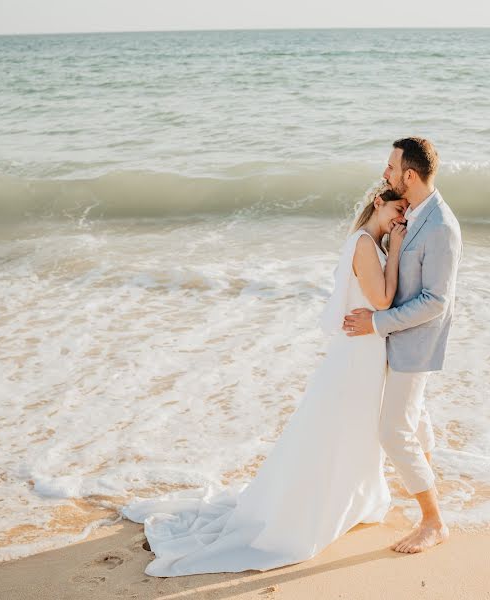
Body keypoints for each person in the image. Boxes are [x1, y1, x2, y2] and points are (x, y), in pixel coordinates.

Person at [121, 183, 410, 576]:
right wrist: (395, 249)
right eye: (398, 208)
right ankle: (310, 508)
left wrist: (392, 246)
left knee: (352, 430)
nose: (402, 218)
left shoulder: (368, 241)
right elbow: (382, 302)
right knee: (338, 430)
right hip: (358, 355)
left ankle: (349, 499)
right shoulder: (366, 244)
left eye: (406, 212)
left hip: (365, 350)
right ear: (379, 202)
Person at [343, 137, 462, 554]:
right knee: (416, 422)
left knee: (393, 432)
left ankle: (433, 521)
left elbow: (436, 301)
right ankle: (429, 504)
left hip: (415, 344)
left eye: (391, 168)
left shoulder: (442, 227)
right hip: (396, 341)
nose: (386, 174)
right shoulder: (412, 212)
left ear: (409, 175)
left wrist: (377, 323)